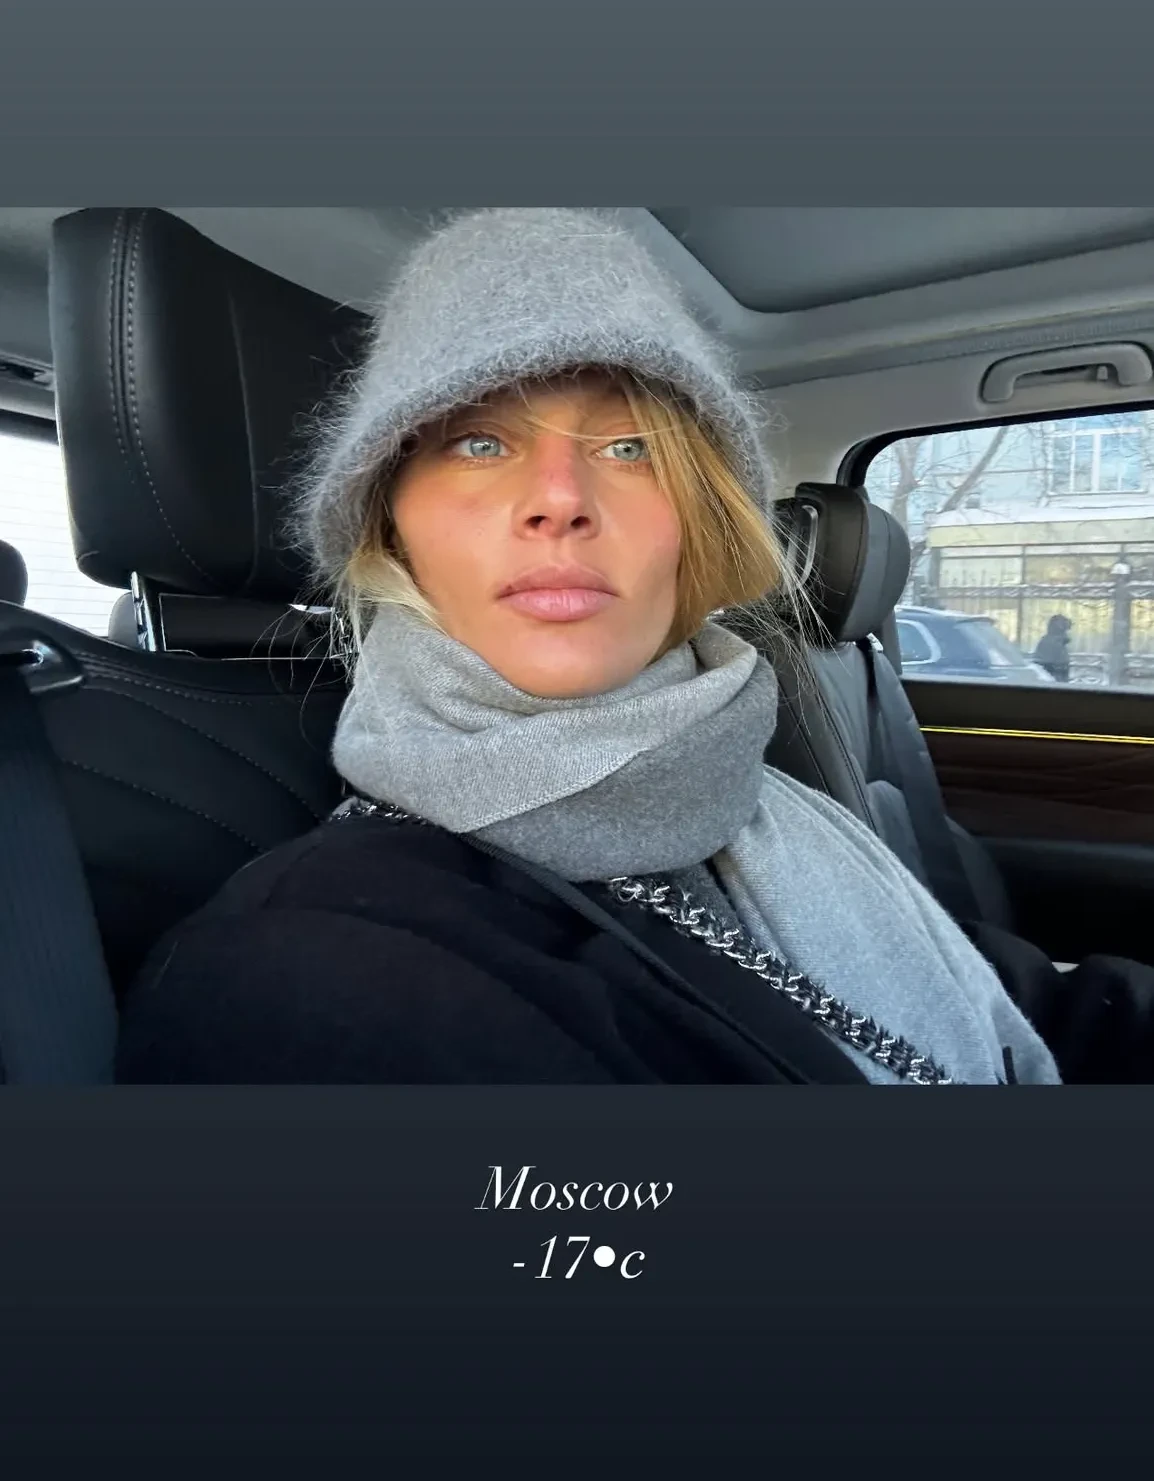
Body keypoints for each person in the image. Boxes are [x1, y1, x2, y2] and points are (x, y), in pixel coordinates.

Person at [114, 207, 1063, 1086]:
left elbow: (1035, 1013)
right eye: (479, 442)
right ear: (391, 524)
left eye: (629, 447)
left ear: (699, 521)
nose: (561, 499)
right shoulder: (311, 975)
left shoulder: (774, 799)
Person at [1033, 614, 1072, 682]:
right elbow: (1045, 666)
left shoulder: (1058, 643)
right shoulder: (1051, 643)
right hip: (1052, 682)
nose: (1066, 633)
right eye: (1065, 629)